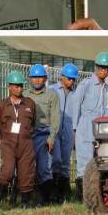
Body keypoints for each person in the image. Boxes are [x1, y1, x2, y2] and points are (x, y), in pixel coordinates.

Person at [73, 52, 108, 198]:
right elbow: (75, 106)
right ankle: (81, 197)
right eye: (102, 67)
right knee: (84, 164)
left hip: (100, 130)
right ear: (96, 67)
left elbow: (106, 108)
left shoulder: (106, 86)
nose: (105, 70)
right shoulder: (86, 84)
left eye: (107, 68)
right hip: (85, 130)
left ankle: (94, 194)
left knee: (99, 163)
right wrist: (74, 130)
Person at [0, 70, 36, 209]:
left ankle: (25, 203)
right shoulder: (2, 105)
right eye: (16, 86)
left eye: (21, 85)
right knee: (7, 171)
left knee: (26, 173)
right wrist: (5, 139)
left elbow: (33, 123)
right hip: (8, 143)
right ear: (9, 87)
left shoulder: (29, 104)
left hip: (26, 143)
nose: (19, 88)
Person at [24, 64, 60, 204]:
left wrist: (51, 138)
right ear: (30, 79)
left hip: (44, 134)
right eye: (34, 77)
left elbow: (56, 118)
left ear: (45, 78)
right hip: (27, 135)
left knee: (44, 167)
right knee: (25, 167)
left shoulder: (52, 95)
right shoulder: (25, 95)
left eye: (40, 77)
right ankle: (26, 199)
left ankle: (47, 199)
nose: (37, 80)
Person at [49, 63, 78, 202]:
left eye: (73, 79)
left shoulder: (76, 93)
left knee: (66, 162)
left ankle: (64, 192)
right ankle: (53, 190)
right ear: (62, 77)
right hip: (54, 129)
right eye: (69, 78)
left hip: (69, 130)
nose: (71, 81)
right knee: (56, 160)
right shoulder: (52, 90)